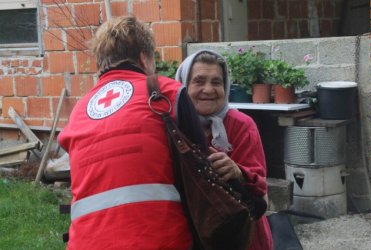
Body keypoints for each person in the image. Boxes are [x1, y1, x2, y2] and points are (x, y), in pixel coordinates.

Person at [58, 16, 195, 249]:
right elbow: (198, 175)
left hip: (87, 242)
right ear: (144, 58)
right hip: (158, 240)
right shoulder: (168, 93)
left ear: (101, 63)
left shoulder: (80, 109)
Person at [175, 49, 273, 250]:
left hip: (243, 237)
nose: (209, 89)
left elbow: (261, 191)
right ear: (183, 86)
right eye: (199, 81)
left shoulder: (242, 125)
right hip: (196, 236)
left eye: (216, 82)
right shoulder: (176, 129)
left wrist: (238, 172)